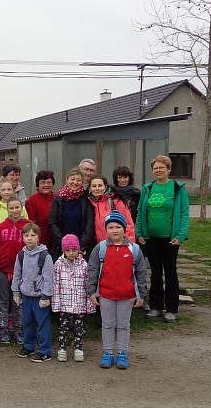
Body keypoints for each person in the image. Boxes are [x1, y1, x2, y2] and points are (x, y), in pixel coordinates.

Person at [87, 210, 148, 369]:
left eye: (118, 227)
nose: (115, 230)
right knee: (107, 324)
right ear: (106, 230)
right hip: (106, 294)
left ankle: (122, 353)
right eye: (111, 227)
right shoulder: (100, 248)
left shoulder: (134, 249)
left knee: (123, 325)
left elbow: (141, 273)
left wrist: (141, 294)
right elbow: (93, 270)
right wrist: (92, 292)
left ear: (125, 228)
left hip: (127, 295)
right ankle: (107, 352)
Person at [135, 154, 190, 323]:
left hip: (170, 239)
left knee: (170, 272)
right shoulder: (148, 188)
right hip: (151, 238)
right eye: (155, 168)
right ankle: (156, 307)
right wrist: (140, 233)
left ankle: (172, 309)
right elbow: (140, 212)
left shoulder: (177, 188)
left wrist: (180, 236)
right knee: (156, 273)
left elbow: (184, 213)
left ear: (169, 169)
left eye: (161, 167)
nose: (158, 170)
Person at [0, 179, 28, 335]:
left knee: (15, 295)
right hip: (0, 257)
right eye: (4, 189)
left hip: (17, 262)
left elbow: (28, 232)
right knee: (0, 294)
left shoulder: (21, 210)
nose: (7, 192)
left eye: (10, 189)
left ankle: (13, 323)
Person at [12, 222, 54, 363]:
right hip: (25, 295)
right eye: (26, 235)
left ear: (38, 238)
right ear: (22, 237)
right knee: (27, 322)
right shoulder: (21, 255)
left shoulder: (45, 256)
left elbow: (49, 278)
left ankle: (44, 351)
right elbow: (17, 274)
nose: (29, 238)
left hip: (39, 297)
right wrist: (16, 292)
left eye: (33, 235)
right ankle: (28, 346)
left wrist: (45, 296)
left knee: (42, 324)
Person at [52, 234, 93, 363]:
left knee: (79, 329)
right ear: (63, 251)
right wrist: (56, 304)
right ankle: (62, 349)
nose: (71, 253)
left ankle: (78, 349)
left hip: (79, 304)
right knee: (63, 329)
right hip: (64, 304)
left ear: (78, 250)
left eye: (74, 250)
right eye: (68, 250)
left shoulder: (84, 265)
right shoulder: (58, 265)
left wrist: (89, 305)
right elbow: (55, 285)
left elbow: (88, 285)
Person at [48, 167, 95, 260]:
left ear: (82, 182)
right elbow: (52, 223)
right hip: (61, 248)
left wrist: (80, 247)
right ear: (67, 180)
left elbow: (90, 225)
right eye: (72, 179)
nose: (75, 182)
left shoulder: (87, 199)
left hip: (82, 249)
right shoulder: (58, 199)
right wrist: (64, 244)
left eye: (78, 180)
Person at [87, 176, 135, 247]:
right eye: (94, 186)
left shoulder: (116, 201)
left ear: (105, 186)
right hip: (100, 246)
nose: (97, 188)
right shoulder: (90, 203)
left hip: (118, 244)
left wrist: (129, 245)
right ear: (90, 188)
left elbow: (128, 224)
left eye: (100, 185)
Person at [24, 170, 55, 249]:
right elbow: (31, 223)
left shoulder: (57, 199)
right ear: (38, 185)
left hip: (56, 242)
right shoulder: (32, 201)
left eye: (49, 182)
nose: (46, 185)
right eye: (43, 182)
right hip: (39, 242)